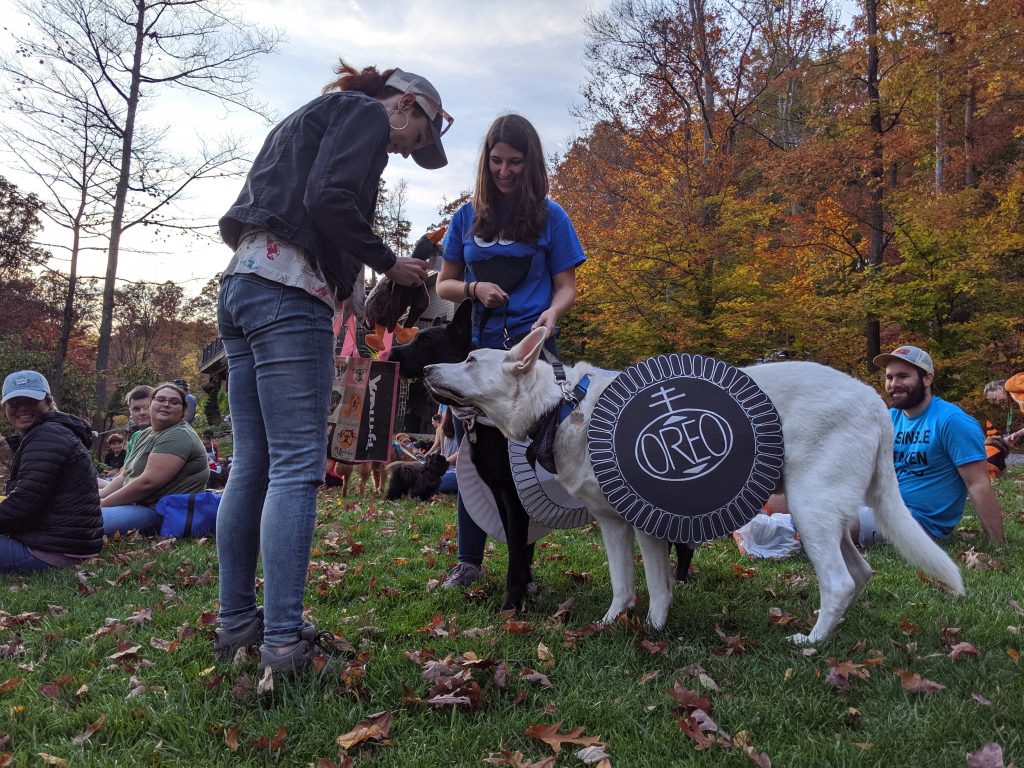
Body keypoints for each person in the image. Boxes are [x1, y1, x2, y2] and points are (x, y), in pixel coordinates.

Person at [213, 59, 450, 676]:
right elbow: (328, 199)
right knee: (295, 467)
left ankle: (236, 621)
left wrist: (346, 284)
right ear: (406, 105)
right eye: (415, 138)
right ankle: (285, 644)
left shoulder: (310, 116)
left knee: (252, 464)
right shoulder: (366, 112)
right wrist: (388, 262)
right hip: (289, 295)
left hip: (243, 284)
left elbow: (295, 201)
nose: (403, 151)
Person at [434, 113, 586, 588]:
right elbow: (444, 285)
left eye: (515, 162)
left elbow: (566, 287)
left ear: (531, 162)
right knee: (473, 453)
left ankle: (523, 567)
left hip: (532, 355)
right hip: (481, 359)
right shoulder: (465, 215)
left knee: (525, 462)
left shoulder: (550, 215)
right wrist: (474, 289)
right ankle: (468, 561)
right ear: (486, 161)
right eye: (496, 160)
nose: (504, 170)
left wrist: (552, 315)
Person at [856, 345, 1005, 545]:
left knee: (824, 524)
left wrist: (997, 543)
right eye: (889, 377)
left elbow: (977, 483)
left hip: (916, 521)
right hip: (880, 503)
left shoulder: (951, 421)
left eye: (903, 376)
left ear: (927, 378)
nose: (894, 384)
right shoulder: (890, 418)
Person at [0, 370, 102, 571]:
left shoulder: (48, 437)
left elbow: (24, 503)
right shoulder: (48, 432)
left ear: (48, 401)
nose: (22, 408)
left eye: (30, 400)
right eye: (14, 402)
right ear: (5, 407)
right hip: (62, 542)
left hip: (54, 551)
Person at [100, 382, 209, 536]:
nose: (166, 405)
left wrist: (103, 504)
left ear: (183, 410)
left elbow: (147, 484)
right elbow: (125, 475)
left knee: (84, 521)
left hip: (160, 512)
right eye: (161, 400)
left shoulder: (179, 434)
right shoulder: (145, 434)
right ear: (151, 404)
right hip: (137, 503)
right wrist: (100, 496)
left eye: (174, 402)